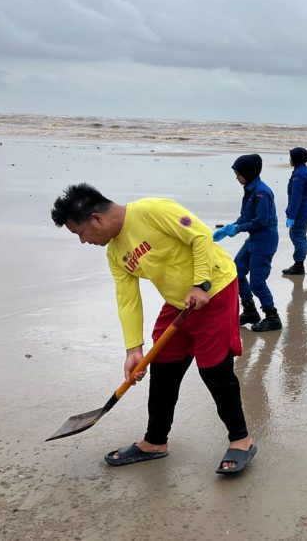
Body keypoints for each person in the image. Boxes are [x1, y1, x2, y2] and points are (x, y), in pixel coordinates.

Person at [51, 183, 257, 475]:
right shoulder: (115, 254)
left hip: (216, 290)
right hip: (178, 302)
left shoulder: (152, 211)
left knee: (215, 371)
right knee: (163, 369)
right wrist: (133, 349)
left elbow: (199, 237)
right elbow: (127, 299)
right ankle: (155, 441)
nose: (83, 241)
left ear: (96, 219)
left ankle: (241, 440)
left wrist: (201, 284)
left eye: (80, 233)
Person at [214, 154, 281, 332]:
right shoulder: (251, 189)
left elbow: (261, 221)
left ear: (248, 173)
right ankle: (250, 310)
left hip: (265, 241)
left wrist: (238, 229)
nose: (237, 178)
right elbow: (246, 216)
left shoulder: (261, 193)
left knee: (257, 282)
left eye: (238, 174)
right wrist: (231, 226)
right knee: (236, 271)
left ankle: (272, 317)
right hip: (253, 239)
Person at [282, 147, 307, 275]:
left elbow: (296, 197)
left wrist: (291, 215)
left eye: (291, 157)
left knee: (297, 235)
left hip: (302, 210)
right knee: (297, 234)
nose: (289, 159)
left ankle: (299, 265)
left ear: (296, 159)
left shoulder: (299, 175)